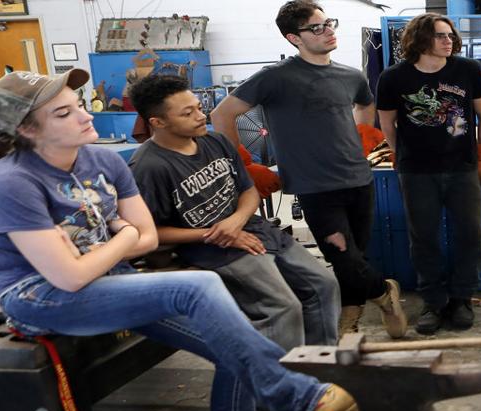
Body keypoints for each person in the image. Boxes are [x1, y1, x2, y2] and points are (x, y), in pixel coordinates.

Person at [0, 69, 358, 411]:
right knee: (197, 287)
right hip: (42, 297)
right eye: (64, 113)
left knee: (235, 342)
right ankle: (300, 400)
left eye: (79, 104)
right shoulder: (10, 183)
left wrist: (113, 242)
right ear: (27, 130)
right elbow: (69, 274)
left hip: (108, 280)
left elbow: (148, 236)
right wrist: (121, 235)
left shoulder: (100, 161)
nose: (84, 116)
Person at [211, 1, 406, 337]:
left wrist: (362, 135)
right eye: (316, 27)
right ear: (293, 37)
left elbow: (365, 102)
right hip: (314, 186)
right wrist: (241, 165)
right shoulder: (275, 78)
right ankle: (385, 294)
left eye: (328, 23)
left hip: (359, 178)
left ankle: (349, 319)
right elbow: (221, 115)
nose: (328, 31)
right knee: (341, 254)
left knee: (354, 256)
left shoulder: (350, 75)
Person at [128, 74, 340, 351]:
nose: (200, 116)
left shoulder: (216, 142)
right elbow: (150, 232)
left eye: (198, 107)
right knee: (281, 307)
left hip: (252, 230)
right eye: (187, 113)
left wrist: (236, 222)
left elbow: (248, 190)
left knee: (323, 285)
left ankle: (320, 366)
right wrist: (215, 233)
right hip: (214, 248)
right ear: (158, 122)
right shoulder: (149, 167)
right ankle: (279, 384)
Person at [377, 13, 481, 334]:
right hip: (416, 171)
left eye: (450, 35)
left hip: (462, 168)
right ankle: (433, 301)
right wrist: (401, 153)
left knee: (470, 234)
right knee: (423, 237)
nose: (449, 41)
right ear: (419, 40)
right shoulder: (393, 78)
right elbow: (388, 124)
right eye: (440, 36)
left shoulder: (468, 70)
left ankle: (461, 298)